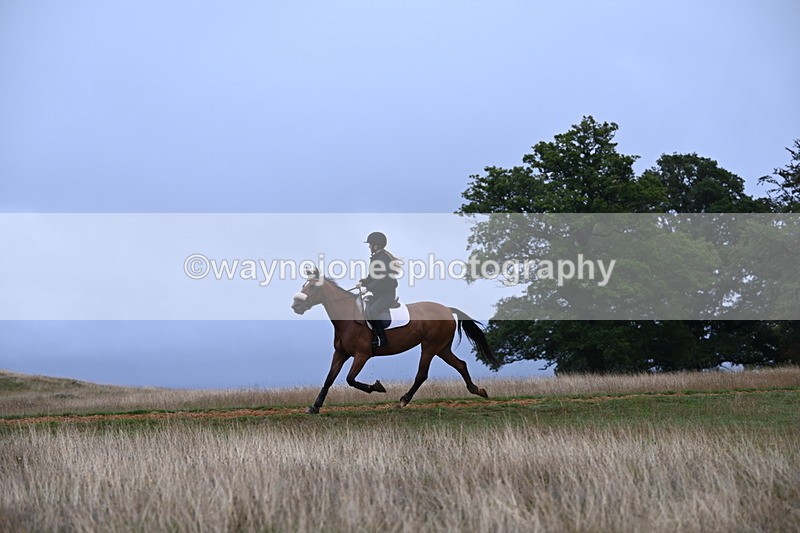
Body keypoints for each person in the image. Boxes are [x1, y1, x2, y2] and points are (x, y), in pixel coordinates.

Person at [358, 231, 400, 347]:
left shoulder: (382, 259)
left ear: (376, 245)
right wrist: (363, 282)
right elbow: (372, 277)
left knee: (373, 311)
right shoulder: (376, 258)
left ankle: (382, 339)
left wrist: (367, 288)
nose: (369, 247)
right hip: (378, 294)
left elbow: (382, 281)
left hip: (387, 294)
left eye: (370, 244)